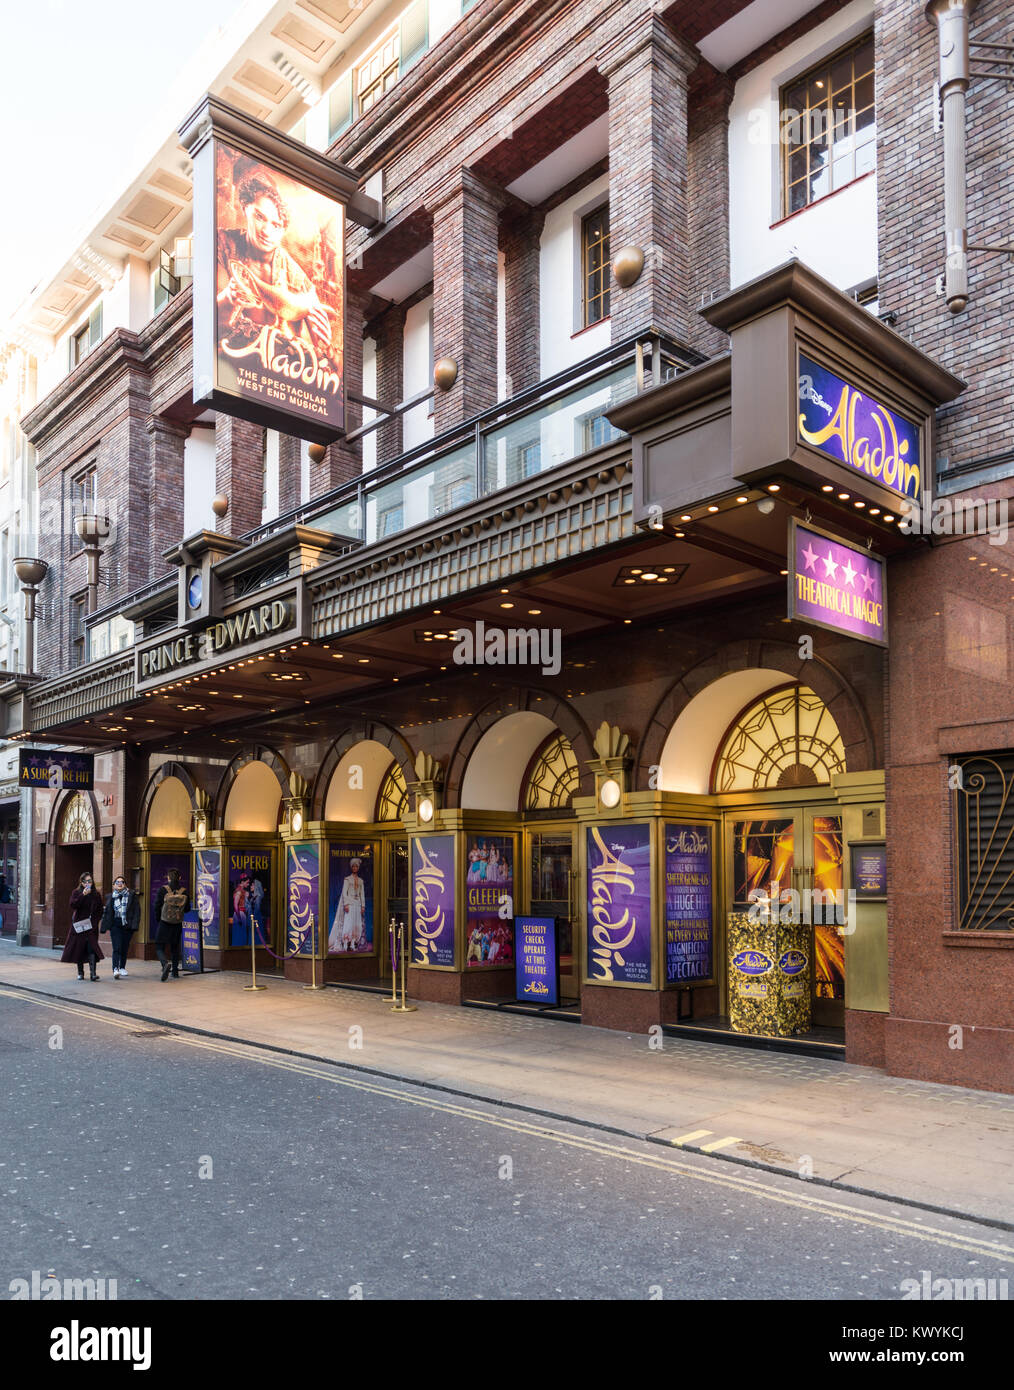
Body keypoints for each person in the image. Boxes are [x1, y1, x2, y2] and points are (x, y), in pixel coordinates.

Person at [216, 169, 333, 355]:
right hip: (230, 362)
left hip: (283, 370)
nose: (266, 231)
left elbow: (319, 345)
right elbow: (210, 320)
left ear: (283, 228)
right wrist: (228, 298)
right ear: (245, 207)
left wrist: (325, 344)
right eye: (260, 217)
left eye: (276, 225)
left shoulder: (298, 279)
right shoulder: (222, 243)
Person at [60, 872, 103, 981]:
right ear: (82, 883)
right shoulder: (76, 892)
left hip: (91, 926)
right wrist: (83, 895)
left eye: (90, 881)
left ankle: (93, 973)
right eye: (86, 881)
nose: (88, 883)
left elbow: (99, 911)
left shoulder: (96, 894)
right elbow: (73, 905)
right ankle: (80, 972)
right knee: (79, 948)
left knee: (91, 948)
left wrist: (95, 922)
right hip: (79, 926)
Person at [101, 874, 140, 979]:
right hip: (115, 925)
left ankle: (122, 967)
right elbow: (107, 913)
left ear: (125, 884)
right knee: (116, 947)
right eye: (117, 882)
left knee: (124, 947)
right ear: (114, 885)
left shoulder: (131, 895)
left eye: (122, 882)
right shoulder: (110, 897)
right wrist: (104, 926)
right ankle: (115, 969)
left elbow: (137, 911)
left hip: (127, 925)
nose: (119, 884)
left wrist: (134, 925)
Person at [154, 869, 190, 981]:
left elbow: (156, 906)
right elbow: (187, 909)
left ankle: (165, 964)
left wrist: (159, 919)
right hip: (178, 922)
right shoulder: (184, 891)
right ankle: (175, 971)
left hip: (164, 922)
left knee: (159, 945)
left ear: (168, 878)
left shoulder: (163, 890)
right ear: (179, 878)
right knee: (175, 947)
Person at [329, 859, 365, 952]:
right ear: (351, 867)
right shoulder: (347, 879)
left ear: (358, 868)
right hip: (350, 903)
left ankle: (354, 943)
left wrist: (363, 906)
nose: (355, 868)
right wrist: (346, 904)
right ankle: (346, 943)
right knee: (349, 923)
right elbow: (344, 893)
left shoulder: (360, 881)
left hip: (357, 904)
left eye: (356, 866)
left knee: (357, 924)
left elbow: (362, 894)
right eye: (353, 866)